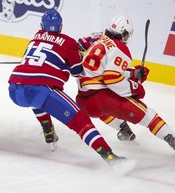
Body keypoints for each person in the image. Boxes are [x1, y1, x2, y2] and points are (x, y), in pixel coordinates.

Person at [8, 9, 128, 165]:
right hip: (39, 89)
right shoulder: (69, 42)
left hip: (14, 89)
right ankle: (109, 156)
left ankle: (48, 130)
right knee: (80, 119)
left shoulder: (35, 38)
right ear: (61, 26)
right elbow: (77, 71)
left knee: (35, 97)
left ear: (41, 25)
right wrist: (81, 54)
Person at [75, 15, 175, 157]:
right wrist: (134, 88)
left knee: (102, 110)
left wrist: (131, 74)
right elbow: (111, 79)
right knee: (149, 115)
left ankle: (123, 129)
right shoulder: (120, 48)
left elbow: (101, 72)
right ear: (123, 33)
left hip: (83, 100)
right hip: (101, 99)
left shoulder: (98, 37)